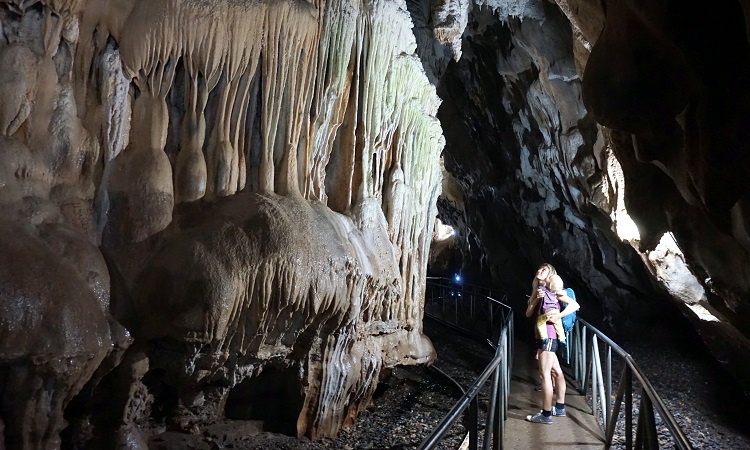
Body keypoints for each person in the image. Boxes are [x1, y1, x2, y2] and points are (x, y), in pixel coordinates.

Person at [525, 263, 579, 424]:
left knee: (544, 375)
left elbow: (575, 305)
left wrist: (558, 316)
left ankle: (546, 414)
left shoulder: (555, 291)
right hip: (544, 338)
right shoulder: (539, 291)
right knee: (556, 372)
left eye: (544, 270)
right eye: (539, 269)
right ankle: (560, 408)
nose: (539, 271)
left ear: (550, 275)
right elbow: (528, 313)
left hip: (548, 337)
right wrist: (536, 298)